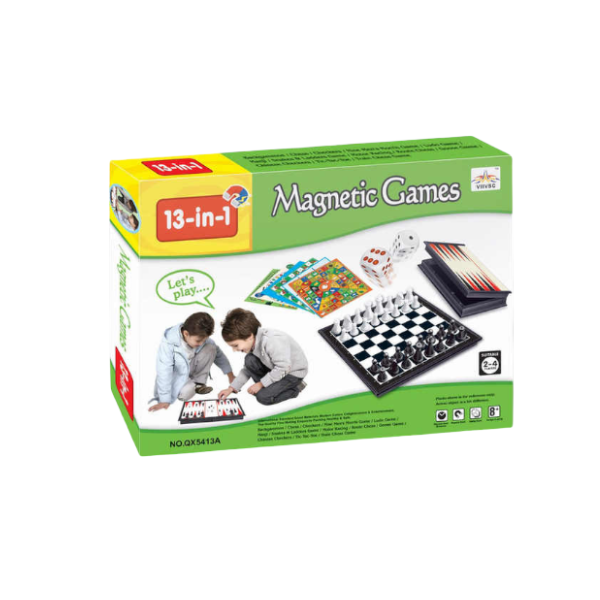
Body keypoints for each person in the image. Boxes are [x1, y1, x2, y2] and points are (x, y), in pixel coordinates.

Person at [218, 308, 308, 405]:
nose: (234, 350)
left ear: (249, 336)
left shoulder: (273, 341)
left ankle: (296, 388)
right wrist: (231, 388)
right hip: (275, 368)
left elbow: (284, 367)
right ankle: (270, 385)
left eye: (236, 345)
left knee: (263, 397)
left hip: (292, 373)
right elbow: (247, 370)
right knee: (249, 360)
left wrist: (261, 384)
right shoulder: (253, 342)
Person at [149, 312, 234, 412]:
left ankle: (199, 384)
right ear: (186, 334)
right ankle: (188, 387)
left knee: (211, 348)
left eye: (204, 340)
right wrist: (164, 399)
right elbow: (164, 371)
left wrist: (230, 375)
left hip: (190, 369)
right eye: (198, 341)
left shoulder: (200, 337)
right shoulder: (169, 343)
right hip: (176, 376)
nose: (201, 343)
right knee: (186, 394)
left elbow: (219, 356)